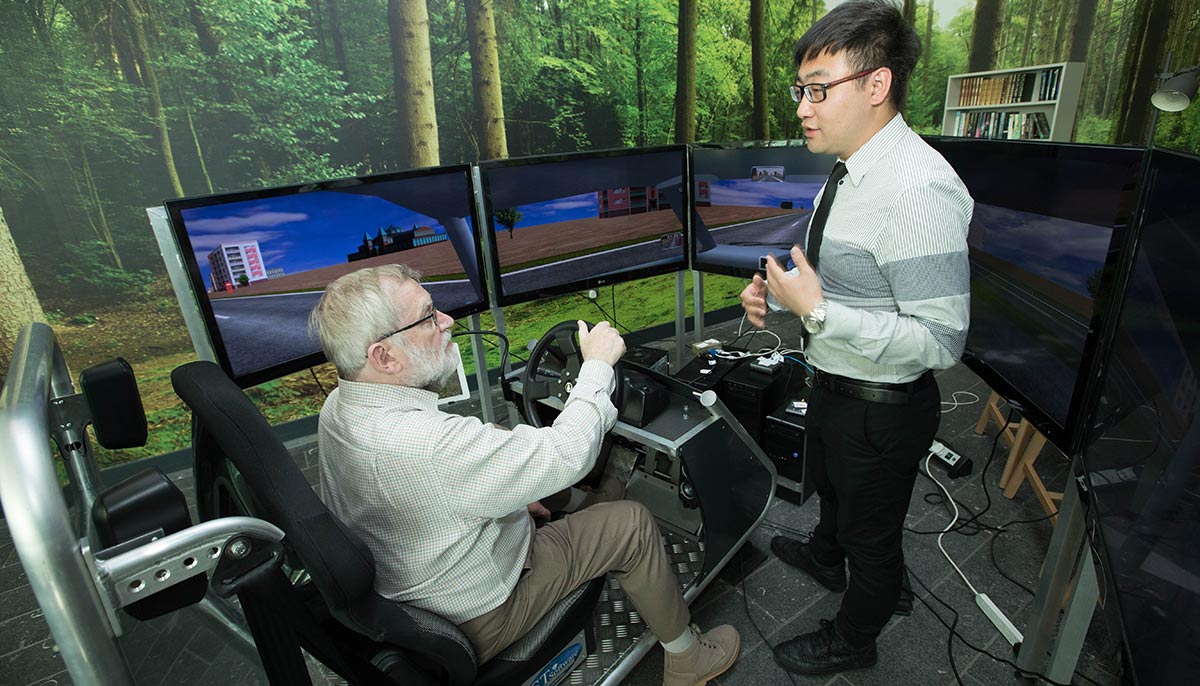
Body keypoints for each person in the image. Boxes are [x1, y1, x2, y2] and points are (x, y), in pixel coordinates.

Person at [309, 264, 739, 686]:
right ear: (383, 357)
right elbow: (569, 453)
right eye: (427, 317)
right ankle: (688, 661)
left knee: (517, 457)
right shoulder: (431, 446)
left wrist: (516, 492)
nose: (447, 321)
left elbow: (452, 476)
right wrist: (598, 367)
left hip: (420, 588)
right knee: (632, 523)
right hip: (483, 612)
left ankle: (585, 509)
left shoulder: (338, 409)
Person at [740, 0, 972, 676]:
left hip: (883, 406)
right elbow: (843, 277)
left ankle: (855, 638)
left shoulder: (920, 189)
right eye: (800, 90)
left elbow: (939, 341)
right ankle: (823, 553)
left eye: (819, 89)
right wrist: (781, 290)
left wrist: (819, 313)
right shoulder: (847, 168)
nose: (803, 107)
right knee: (835, 495)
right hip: (839, 387)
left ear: (877, 84)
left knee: (875, 541)